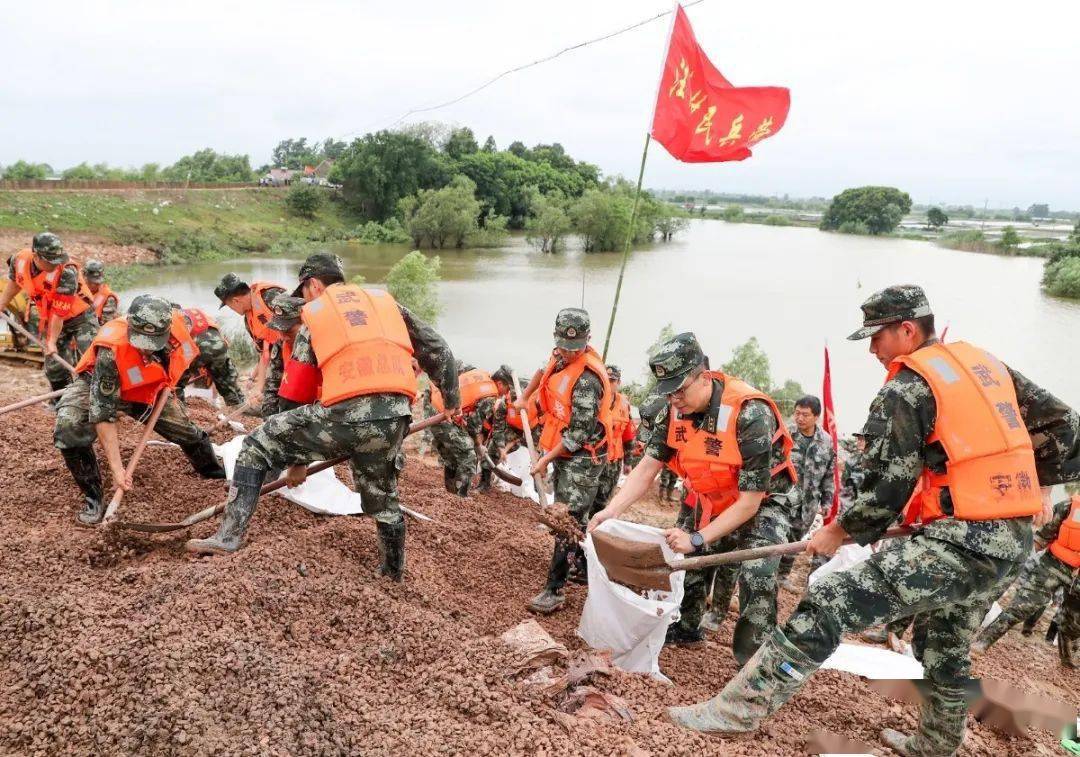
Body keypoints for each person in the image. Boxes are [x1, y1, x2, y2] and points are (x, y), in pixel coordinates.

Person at [665, 285, 1079, 757]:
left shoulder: (908, 387)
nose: (872, 350)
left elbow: (886, 490)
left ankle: (734, 713)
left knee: (828, 598)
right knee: (945, 641)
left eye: (876, 337)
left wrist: (836, 532)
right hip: (1009, 537)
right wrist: (1042, 487)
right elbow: (1065, 424)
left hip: (961, 541)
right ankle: (936, 744)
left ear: (906, 330)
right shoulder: (984, 365)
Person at [186, 253, 459, 583]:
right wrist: (452, 400)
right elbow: (439, 349)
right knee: (383, 498)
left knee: (257, 445)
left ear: (313, 284)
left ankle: (228, 537)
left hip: (344, 415)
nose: (303, 298)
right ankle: (392, 572)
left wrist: (293, 460)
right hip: (395, 417)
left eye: (303, 290)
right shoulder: (385, 303)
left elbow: (294, 394)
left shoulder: (315, 312)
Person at [590, 333, 798, 659]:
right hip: (710, 494)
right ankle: (688, 627)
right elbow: (647, 468)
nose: (674, 399)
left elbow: (750, 501)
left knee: (757, 573)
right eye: (668, 392)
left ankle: (756, 661)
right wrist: (611, 511)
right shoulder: (674, 410)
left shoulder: (750, 414)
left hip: (763, 502)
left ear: (704, 376)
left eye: (680, 390)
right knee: (689, 563)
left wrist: (698, 538)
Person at [53, 295, 226, 525]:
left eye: (153, 342)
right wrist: (118, 469)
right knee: (68, 427)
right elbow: (103, 413)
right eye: (140, 340)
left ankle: (211, 469)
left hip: (149, 388)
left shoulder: (179, 324)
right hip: (98, 383)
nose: (146, 348)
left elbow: (187, 358)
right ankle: (93, 497)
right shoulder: (111, 348)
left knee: (185, 430)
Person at [518, 308, 613, 614]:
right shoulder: (560, 355)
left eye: (576, 348)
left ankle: (554, 589)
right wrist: (525, 397)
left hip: (584, 456)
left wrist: (544, 459)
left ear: (587, 341)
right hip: (564, 449)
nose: (569, 353)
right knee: (575, 516)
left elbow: (578, 435)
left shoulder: (587, 380)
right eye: (564, 346)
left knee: (566, 518)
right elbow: (542, 371)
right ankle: (583, 569)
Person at [973, 495, 1080, 652]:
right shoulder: (1069, 506)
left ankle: (1068, 656)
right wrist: (1017, 562)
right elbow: (1042, 537)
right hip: (1053, 566)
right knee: (1021, 607)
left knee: (1074, 624)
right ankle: (983, 641)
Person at [0, 233, 99, 393]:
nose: (56, 264)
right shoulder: (18, 260)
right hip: (53, 318)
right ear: (36, 257)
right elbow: (15, 283)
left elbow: (59, 312)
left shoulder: (66, 272)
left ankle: (93, 399)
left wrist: (51, 341)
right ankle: (61, 400)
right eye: (51, 261)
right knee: (54, 367)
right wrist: (1, 304)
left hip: (81, 318)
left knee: (91, 360)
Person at [776, 395, 836, 591]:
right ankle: (764, 575)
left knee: (794, 541)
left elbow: (829, 474)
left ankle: (782, 575)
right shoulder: (784, 433)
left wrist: (827, 502)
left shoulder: (826, 441)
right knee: (774, 537)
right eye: (797, 413)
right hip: (781, 500)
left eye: (805, 415)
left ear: (816, 417)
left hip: (807, 506)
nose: (799, 418)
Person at [213, 273, 286, 414]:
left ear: (235, 301)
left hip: (300, 353)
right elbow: (264, 352)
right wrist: (256, 381)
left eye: (229, 306)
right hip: (280, 358)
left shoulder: (270, 296)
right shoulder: (249, 320)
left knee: (280, 393)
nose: (232, 310)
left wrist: (259, 386)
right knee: (270, 399)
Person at [426, 361, 500, 496]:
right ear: (501, 384)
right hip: (443, 415)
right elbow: (473, 424)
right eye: (507, 389)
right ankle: (461, 497)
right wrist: (478, 445)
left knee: (453, 454)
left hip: (434, 409)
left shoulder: (480, 376)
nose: (505, 394)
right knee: (468, 455)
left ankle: (451, 492)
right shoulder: (490, 395)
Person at [172, 304, 247, 409]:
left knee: (178, 380)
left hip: (198, 347)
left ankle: (180, 408)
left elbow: (181, 345)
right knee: (224, 378)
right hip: (219, 345)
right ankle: (238, 405)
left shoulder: (175, 318)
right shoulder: (196, 311)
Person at [261, 296, 321, 416]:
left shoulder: (320, 345)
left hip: (318, 408)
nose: (283, 337)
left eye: (289, 331)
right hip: (292, 405)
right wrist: (270, 420)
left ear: (305, 324)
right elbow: (272, 384)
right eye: (279, 330)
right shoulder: (280, 344)